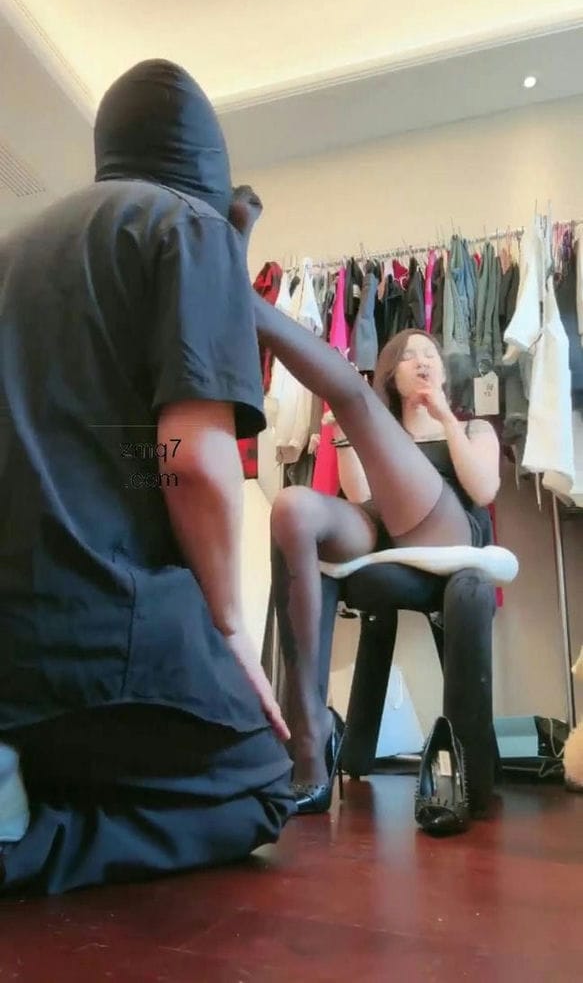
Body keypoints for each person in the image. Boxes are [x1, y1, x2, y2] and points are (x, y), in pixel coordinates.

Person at [0, 60, 295, 897]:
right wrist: (230, 629)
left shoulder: (12, 249)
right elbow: (191, 459)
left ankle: (19, 773)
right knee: (260, 785)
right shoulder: (190, 227)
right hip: (101, 625)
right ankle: (25, 845)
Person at [230, 188, 500, 814]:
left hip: (450, 536)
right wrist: (347, 437)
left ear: (444, 372)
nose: (423, 361)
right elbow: (360, 498)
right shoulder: (382, 430)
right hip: (388, 533)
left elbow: (484, 491)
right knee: (293, 507)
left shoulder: (473, 429)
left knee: (350, 398)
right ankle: (309, 741)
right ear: (392, 374)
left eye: (431, 354)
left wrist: (446, 419)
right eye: (409, 356)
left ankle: (243, 300)